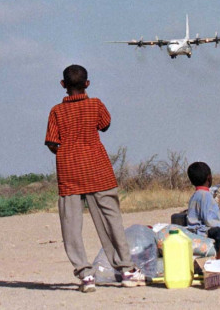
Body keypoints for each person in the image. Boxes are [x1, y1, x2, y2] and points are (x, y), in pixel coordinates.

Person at [44, 65, 144, 293]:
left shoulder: (56, 111)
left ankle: (85, 274)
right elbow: (105, 124)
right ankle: (126, 269)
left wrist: (65, 152)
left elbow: (52, 142)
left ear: (63, 85)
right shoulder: (95, 104)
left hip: (69, 170)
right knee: (111, 220)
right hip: (97, 167)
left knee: (71, 223)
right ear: (87, 84)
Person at [186, 161, 220, 250]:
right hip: (204, 236)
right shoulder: (206, 196)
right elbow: (212, 223)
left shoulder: (195, 195)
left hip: (194, 234)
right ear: (209, 177)